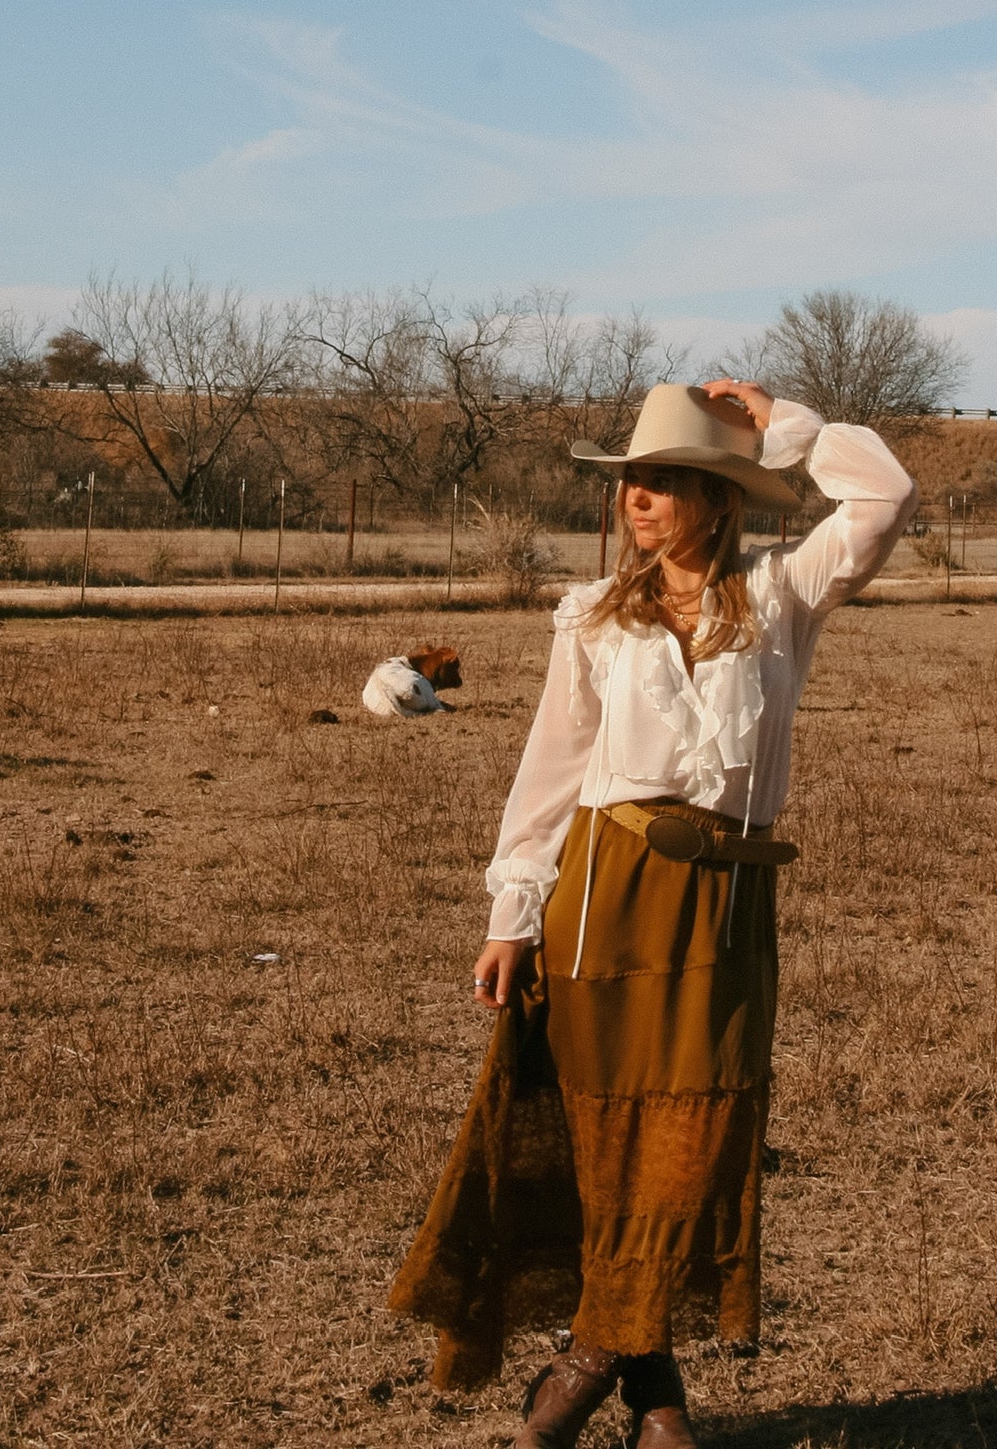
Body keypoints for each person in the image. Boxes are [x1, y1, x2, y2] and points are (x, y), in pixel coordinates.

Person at [390, 379, 917, 1447]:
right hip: (600, 895)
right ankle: (655, 1395)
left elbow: (882, 499)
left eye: (664, 479)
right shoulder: (589, 617)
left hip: (722, 906)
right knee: (602, 1144)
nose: (637, 496)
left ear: (718, 500)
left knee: (693, 1142)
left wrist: (784, 424)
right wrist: (511, 910)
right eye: (631, 478)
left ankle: (590, 1358)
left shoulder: (779, 594)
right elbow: (551, 769)